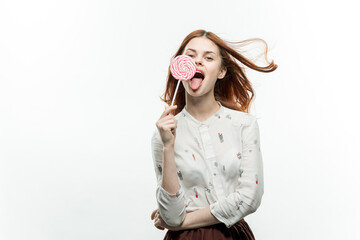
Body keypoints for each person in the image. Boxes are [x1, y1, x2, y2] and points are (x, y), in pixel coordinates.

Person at [150, 29, 277, 239]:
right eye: (190, 56)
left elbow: (249, 198)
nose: (197, 62)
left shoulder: (244, 125)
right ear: (179, 67)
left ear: (221, 71)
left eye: (208, 58)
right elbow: (171, 215)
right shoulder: (162, 135)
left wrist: (182, 222)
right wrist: (167, 145)